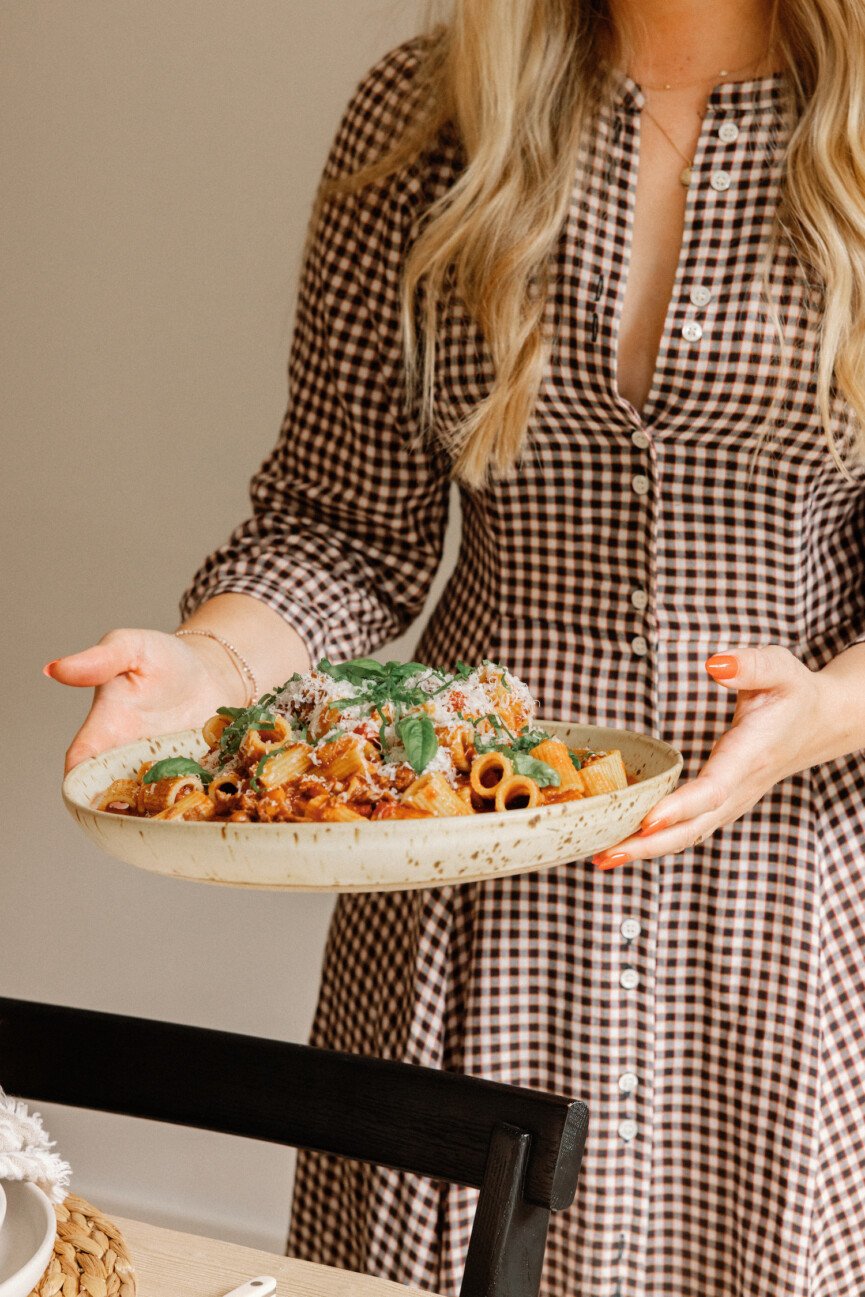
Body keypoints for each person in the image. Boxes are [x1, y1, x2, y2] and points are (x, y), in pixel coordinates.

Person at [47, 0, 865, 1292]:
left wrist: (826, 705)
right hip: (467, 900)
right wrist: (211, 667)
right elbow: (338, 531)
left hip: (779, 908)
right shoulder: (425, 122)